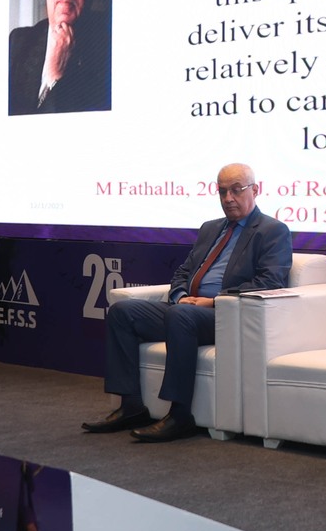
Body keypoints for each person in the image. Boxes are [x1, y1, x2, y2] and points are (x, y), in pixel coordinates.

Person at [84, 164, 291, 441]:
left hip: (225, 315)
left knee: (180, 316)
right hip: (186, 309)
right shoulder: (210, 228)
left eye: (236, 190)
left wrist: (213, 301)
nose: (228, 198)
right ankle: (131, 405)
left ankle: (180, 415)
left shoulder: (272, 230)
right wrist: (181, 296)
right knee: (123, 312)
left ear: (255, 190)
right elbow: (183, 272)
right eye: (222, 191)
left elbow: (270, 281)